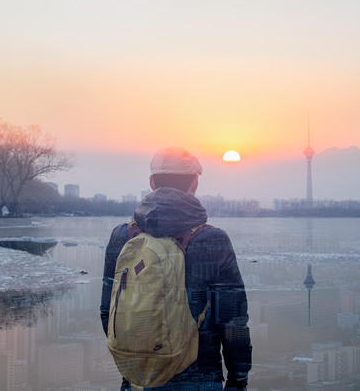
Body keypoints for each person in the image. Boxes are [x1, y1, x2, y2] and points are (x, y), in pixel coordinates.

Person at [100, 147, 252, 391]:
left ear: (151, 182)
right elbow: (233, 320)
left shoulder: (122, 237)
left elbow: (109, 312)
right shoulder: (212, 240)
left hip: (137, 378)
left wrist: (134, 362)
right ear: (194, 184)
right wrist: (238, 378)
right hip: (200, 375)